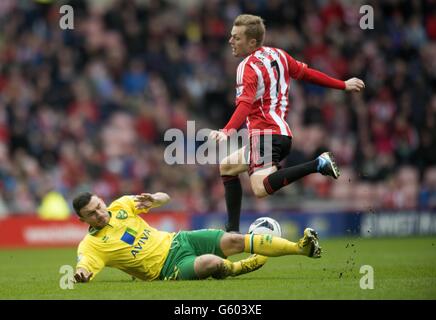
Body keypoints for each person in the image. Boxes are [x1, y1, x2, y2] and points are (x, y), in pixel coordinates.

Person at [208, 14, 365, 232]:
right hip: (281, 134)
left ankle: (318, 164)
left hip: (265, 135)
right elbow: (307, 73)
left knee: (260, 188)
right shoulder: (278, 55)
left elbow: (244, 104)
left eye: (236, 38)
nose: (230, 41)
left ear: (252, 42)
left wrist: (227, 131)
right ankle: (232, 231)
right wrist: (343, 84)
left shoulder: (247, 67)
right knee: (227, 166)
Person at [72, 191, 322, 282]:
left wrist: (155, 199)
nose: (99, 214)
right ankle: (236, 269)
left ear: (103, 201)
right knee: (210, 263)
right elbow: (84, 267)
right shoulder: (92, 245)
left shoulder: (122, 205)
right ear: (82, 220)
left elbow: (164, 197)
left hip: (179, 240)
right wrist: (81, 274)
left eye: (99, 206)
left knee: (234, 239)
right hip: (168, 269)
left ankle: (301, 248)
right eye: (91, 214)